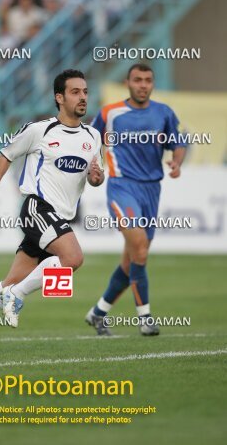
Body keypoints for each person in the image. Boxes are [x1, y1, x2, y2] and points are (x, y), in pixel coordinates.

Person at [0, 69, 104, 356]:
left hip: (59, 219)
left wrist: (96, 176)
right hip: (36, 209)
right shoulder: (39, 130)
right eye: (75, 92)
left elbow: (94, 178)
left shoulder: (92, 136)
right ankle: (15, 296)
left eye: (85, 92)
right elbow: (5, 156)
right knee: (73, 258)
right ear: (59, 97)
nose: (82, 97)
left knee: (12, 281)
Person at [85, 63, 186, 336]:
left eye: (148, 80)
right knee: (139, 247)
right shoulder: (110, 113)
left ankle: (98, 313)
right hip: (122, 186)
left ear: (152, 84)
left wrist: (176, 163)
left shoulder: (163, 113)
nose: (143, 84)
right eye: (137, 80)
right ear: (128, 83)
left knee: (133, 259)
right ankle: (145, 318)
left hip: (152, 190)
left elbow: (178, 143)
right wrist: (92, 168)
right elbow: (90, 140)